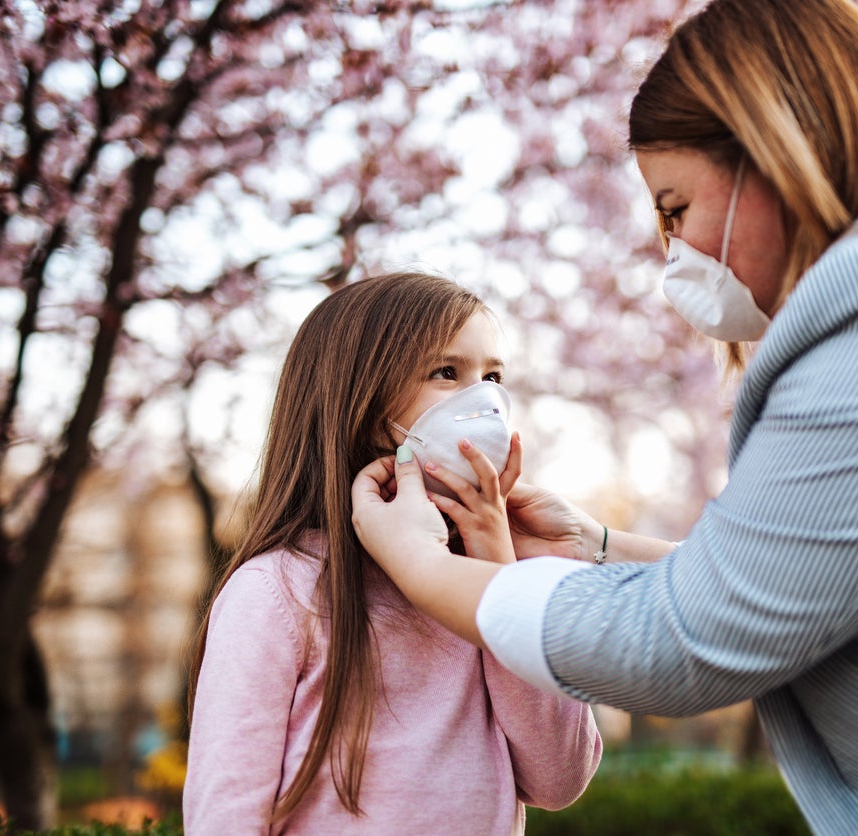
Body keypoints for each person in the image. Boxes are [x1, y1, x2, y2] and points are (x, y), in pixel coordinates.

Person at [350, 1, 858, 834]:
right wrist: (596, 548)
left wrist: (425, 568)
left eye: (678, 209)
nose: (673, 254)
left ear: (770, 146)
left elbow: (688, 643)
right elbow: (803, 573)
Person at [184, 271, 601, 834]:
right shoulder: (276, 592)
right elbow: (224, 817)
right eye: (447, 372)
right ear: (360, 395)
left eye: (494, 375)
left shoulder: (499, 582)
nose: (485, 399)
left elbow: (559, 780)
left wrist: (501, 578)